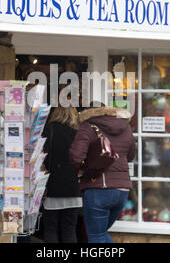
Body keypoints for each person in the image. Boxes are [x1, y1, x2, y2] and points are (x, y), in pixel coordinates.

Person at [69, 104, 136, 243]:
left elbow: (75, 156)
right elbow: (130, 156)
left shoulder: (87, 126)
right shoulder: (126, 127)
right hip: (122, 190)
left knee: (97, 236)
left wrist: (83, 170)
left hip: (98, 189)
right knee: (101, 234)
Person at [41, 106, 82, 243]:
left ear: (56, 113)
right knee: (69, 229)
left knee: (51, 228)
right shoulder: (79, 134)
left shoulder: (49, 130)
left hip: (53, 186)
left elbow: (42, 157)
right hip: (73, 187)